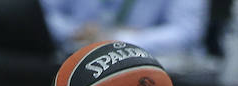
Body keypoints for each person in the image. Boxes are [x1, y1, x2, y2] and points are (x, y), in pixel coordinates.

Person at [40, 0, 210, 60]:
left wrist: (121, 38)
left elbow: (187, 32)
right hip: (75, 58)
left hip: (148, 69)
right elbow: (42, 12)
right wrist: (75, 31)